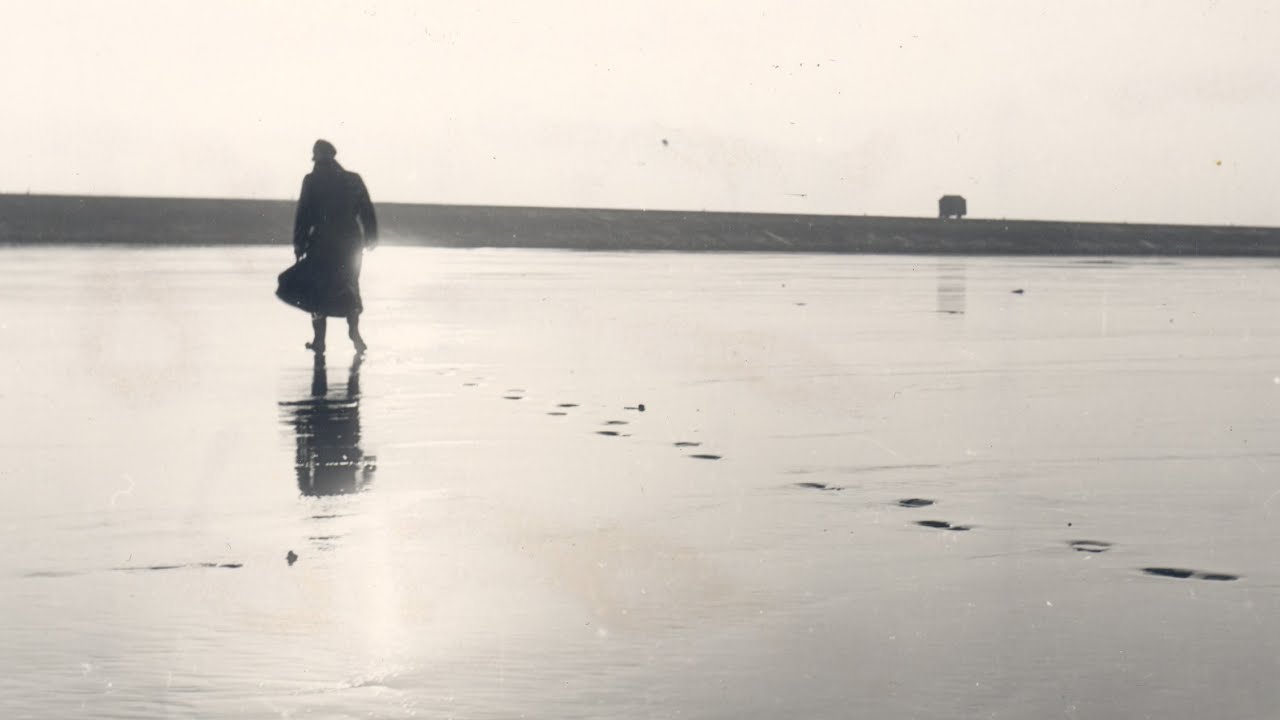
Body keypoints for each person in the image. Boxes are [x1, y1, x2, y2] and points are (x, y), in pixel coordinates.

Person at [292, 139, 377, 353]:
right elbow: (366, 209)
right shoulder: (353, 179)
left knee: (317, 291)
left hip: (322, 242)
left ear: (317, 158)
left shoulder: (311, 180)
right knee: (350, 286)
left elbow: (303, 215)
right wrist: (371, 236)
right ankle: (354, 331)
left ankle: (319, 340)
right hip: (351, 242)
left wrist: (299, 244)